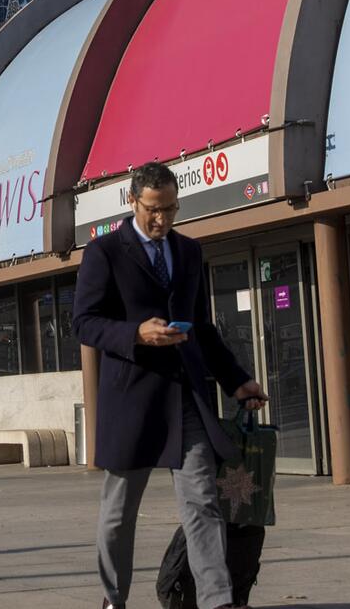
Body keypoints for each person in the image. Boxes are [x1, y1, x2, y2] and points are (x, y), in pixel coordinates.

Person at [74, 161, 268, 609]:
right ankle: (112, 600)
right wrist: (136, 334)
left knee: (203, 502)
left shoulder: (189, 251)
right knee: (119, 514)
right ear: (132, 201)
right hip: (131, 400)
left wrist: (238, 381)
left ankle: (217, 601)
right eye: (153, 210)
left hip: (185, 397)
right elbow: (84, 323)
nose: (162, 220)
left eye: (171, 209)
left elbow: (202, 327)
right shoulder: (104, 252)